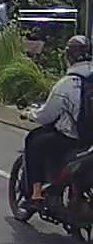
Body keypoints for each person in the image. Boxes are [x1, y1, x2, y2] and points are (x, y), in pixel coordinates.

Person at [24, 35, 93, 204]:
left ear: (69, 56)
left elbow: (46, 116)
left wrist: (30, 114)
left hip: (72, 139)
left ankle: (36, 192)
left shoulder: (66, 84)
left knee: (34, 141)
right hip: (90, 142)